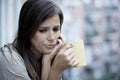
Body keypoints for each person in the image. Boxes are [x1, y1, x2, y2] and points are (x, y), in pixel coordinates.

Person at [0, 0, 79, 80]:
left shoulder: (51, 55)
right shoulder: (9, 57)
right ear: (27, 30)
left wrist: (47, 61)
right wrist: (57, 69)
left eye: (55, 29)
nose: (51, 38)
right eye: (42, 30)